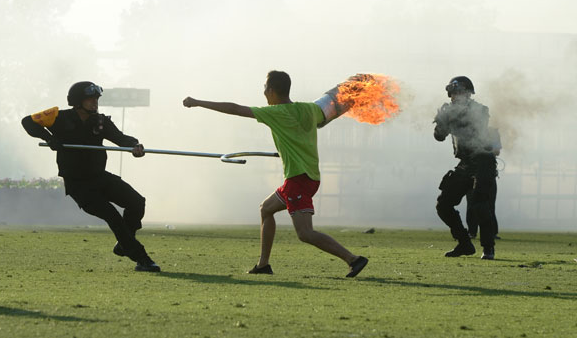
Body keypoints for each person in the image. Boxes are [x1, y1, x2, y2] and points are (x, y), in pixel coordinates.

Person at [182, 70, 368, 277]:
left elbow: (234, 109)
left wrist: (198, 102)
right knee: (266, 209)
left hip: (299, 179)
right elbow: (332, 105)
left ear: (271, 91)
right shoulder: (309, 109)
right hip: (306, 177)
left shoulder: (275, 113)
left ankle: (353, 259)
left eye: (264, 89)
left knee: (305, 233)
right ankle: (263, 265)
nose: (263, 93)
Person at [21, 81, 160, 272]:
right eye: (90, 99)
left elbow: (121, 139)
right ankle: (142, 259)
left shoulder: (101, 121)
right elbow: (27, 122)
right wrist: (49, 138)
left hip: (100, 177)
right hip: (79, 185)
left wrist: (135, 145)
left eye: (96, 99)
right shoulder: (57, 117)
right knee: (113, 216)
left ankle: (124, 244)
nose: (95, 103)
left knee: (136, 202)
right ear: (78, 101)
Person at [433, 76, 498, 260]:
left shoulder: (480, 110)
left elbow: (476, 128)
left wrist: (454, 116)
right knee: (443, 205)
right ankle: (464, 243)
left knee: (479, 203)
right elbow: (439, 136)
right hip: (465, 163)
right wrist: (442, 121)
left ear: (469, 93)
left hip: (483, 161)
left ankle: (488, 248)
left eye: (460, 92)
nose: (456, 96)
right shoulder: (450, 112)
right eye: (453, 93)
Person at [467, 127, 501, 239]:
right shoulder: (469, 130)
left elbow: (497, 151)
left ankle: (491, 232)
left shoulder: (492, 132)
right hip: (474, 172)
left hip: (486, 172)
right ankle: (472, 232)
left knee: (489, 204)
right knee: (472, 204)